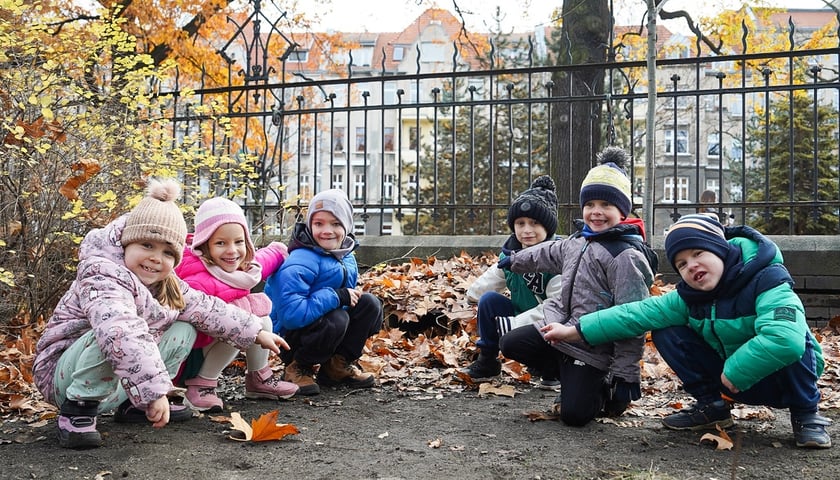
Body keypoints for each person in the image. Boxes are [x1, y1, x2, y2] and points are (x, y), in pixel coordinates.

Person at [33, 179, 292, 449]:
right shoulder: (102, 274)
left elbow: (206, 307)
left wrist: (255, 331)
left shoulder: (164, 282)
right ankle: (78, 412)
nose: (157, 257)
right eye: (147, 245)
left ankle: (134, 405)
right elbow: (121, 331)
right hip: (64, 378)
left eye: (168, 252)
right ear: (126, 243)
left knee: (184, 328)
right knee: (115, 332)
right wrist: (155, 392)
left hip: (116, 381)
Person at [541, 213, 832, 449]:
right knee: (666, 328)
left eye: (698, 253)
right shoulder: (688, 298)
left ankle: (807, 415)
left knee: (799, 341)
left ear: (721, 249)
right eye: (681, 263)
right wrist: (574, 331)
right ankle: (712, 406)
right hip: (729, 385)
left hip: (777, 381)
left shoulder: (767, 280)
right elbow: (634, 314)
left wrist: (735, 372)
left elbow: (785, 339)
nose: (692, 266)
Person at [498, 146, 658, 427]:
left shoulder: (625, 256)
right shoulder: (577, 241)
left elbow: (632, 317)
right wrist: (515, 260)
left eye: (606, 206)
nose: (596, 212)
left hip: (594, 347)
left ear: (622, 210)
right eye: (590, 205)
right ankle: (567, 375)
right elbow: (547, 253)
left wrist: (625, 372)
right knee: (511, 342)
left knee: (574, 417)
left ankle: (603, 386)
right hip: (560, 329)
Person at [174, 198, 299, 412]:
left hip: (208, 344)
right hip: (187, 359)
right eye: (221, 243)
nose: (232, 251)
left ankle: (258, 378)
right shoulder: (196, 278)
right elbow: (214, 320)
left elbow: (262, 262)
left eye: (239, 242)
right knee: (237, 320)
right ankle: (200, 386)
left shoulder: (236, 268)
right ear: (204, 245)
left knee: (262, 320)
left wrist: (278, 252)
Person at [264, 189, 383, 396]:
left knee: (369, 305)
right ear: (310, 225)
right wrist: (336, 296)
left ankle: (336, 366)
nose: (327, 230)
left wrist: (345, 299)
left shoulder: (345, 256)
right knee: (336, 317)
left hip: (322, 326)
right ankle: (298, 367)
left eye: (336, 224)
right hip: (289, 338)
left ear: (347, 226)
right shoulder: (300, 260)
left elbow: (347, 305)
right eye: (319, 224)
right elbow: (292, 315)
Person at [459, 175, 563, 388]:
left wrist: (514, 324)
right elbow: (492, 277)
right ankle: (487, 360)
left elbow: (556, 307)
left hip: (550, 326)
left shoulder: (556, 260)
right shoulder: (511, 255)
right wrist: (469, 296)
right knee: (488, 300)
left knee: (546, 336)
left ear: (548, 227)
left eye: (535, 223)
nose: (527, 230)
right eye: (520, 223)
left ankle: (550, 367)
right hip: (520, 318)